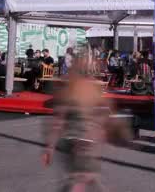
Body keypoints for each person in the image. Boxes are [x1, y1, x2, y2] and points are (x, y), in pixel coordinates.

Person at [42, 57, 127, 191]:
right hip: (85, 139)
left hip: (70, 139)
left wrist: (50, 147)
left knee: (87, 176)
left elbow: (58, 121)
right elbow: (105, 116)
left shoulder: (68, 90)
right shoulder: (92, 90)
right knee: (82, 177)